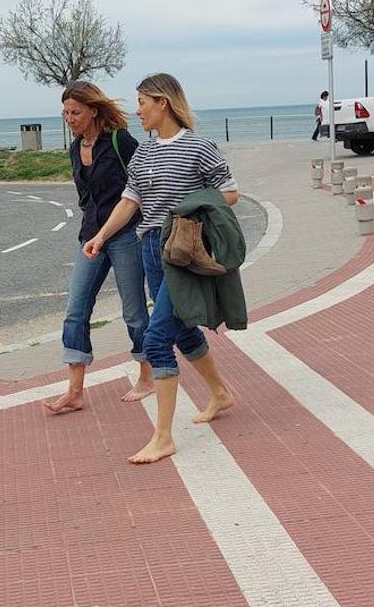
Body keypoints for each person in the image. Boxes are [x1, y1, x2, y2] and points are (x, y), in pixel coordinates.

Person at [83, 73, 238, 464]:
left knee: (155, 339)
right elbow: (130, 199)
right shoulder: (144, 153)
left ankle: (163, 436)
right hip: (150, 248)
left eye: (142, 103)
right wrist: (100, 237)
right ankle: (220, 393)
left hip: (183, 250)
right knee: (182, 331)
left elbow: (230, 193)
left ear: (162, 103)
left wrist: (189, 210)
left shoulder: (199, 147)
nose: (137, 111)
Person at [44, 81, 154, 414]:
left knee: (134, 311)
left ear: (93, 109)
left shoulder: (121, 141)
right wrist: (95, 232)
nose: (69, 118)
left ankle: (147, 375)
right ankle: (75, 391)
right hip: (91, 238)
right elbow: (85, 198)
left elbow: (139, 189)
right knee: (75, 310)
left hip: (125, 236)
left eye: (75, 112)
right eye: (65, 112)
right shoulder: (76, 148)